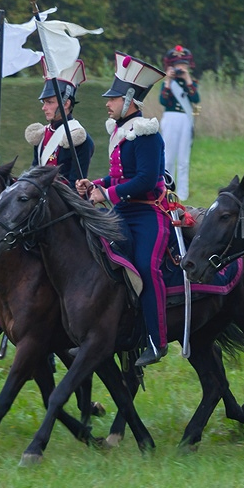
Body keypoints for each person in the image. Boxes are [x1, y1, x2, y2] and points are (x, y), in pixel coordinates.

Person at [77, 53, 170, 367]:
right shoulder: (121, 131)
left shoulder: (147, 133)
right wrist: (96, 184)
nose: (108, 103)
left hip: (147, 214)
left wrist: (107, 192)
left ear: (129, 99)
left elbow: (145, 180)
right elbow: (119, 176)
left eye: (113, 98)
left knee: (145, 267)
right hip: (121, 213)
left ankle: (156, 341)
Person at [25, 58, 94, 181]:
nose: (43, 108)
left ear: (66, 104)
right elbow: (34, 174)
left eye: (49, 102)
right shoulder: (42, 134)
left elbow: (76, 186)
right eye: (44, 102)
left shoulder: (78, 138)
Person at [159, 45, 200, 198]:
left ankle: (182, 193)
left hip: (185, 119)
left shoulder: (190, 82)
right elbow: (163, 100)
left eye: (184, 65)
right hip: (170, 119)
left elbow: (196, 99)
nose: (181, 68)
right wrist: (168, 80)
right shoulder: (168, 82)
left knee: (184, 159)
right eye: (178, 65)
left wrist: (188, 79)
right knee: (168, 157)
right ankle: (167, 189)